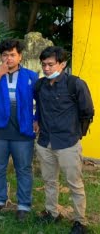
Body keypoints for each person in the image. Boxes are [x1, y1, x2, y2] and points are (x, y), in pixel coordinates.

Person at [0, 39, 38, 221]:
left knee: (24, 169)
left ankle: (24, 205)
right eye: (5, 55)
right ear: (1, 57)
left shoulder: (31, 76)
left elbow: (41, 102)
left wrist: (37, 119)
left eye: (12, 55)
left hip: (23, 130)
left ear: (20, 56)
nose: (8, 58)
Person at [34, 46, 94, 234]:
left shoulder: (75, 84)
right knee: (49, 180)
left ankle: (80, 221)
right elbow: (39, 109)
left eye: (51, 64)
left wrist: (76, 134)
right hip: (45, 142)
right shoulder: (40, 85)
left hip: (68, 143)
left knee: (74, 183)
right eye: (44, 65)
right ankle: (52, 212)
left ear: (62, 64)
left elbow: (87, 112)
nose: (47, 69)